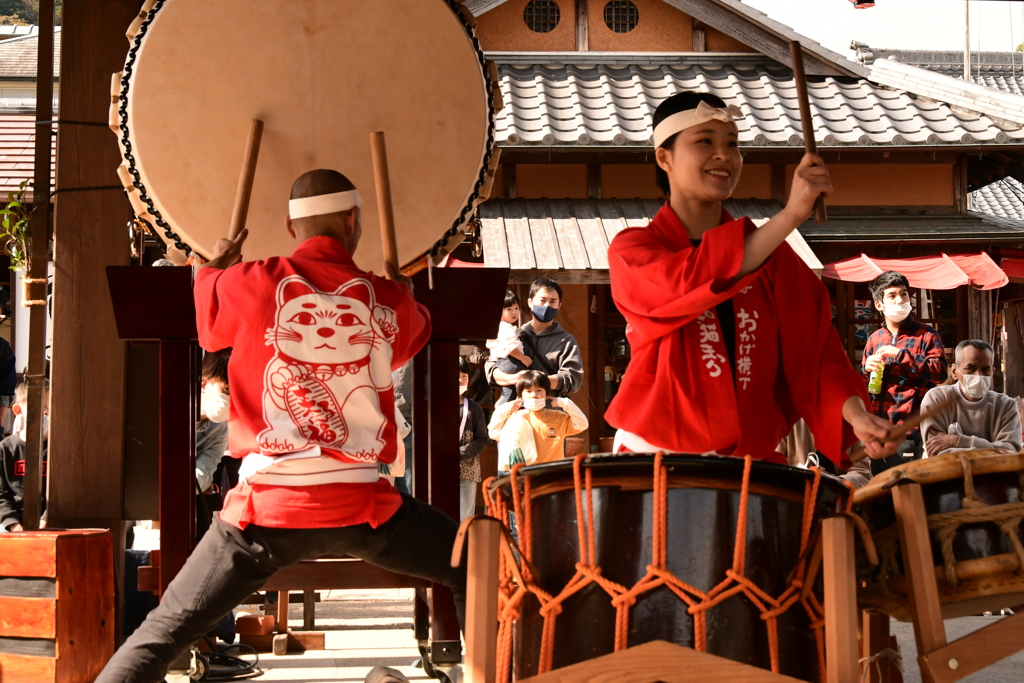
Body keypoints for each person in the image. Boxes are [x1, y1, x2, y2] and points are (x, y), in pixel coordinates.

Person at [96, 169, 466, 683]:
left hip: (264, 512)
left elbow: (209, 329)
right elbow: (411, 335)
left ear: (291, 229)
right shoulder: (383, 298)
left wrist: (210, 271)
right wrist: (403, 292)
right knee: (475, 562)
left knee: (160, 633)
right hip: (362, 506)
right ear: (354, 220)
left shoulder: (251, 280)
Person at [604, 91, 898, 465]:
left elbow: (816, 352)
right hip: (656, 450)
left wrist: (857, 416)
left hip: (750, 458)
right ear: (665, 157)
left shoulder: (773, 259)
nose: (724, 155)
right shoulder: (634, 250)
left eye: (733, 144)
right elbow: (690, 280)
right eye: (704, 141)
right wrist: (791, 215)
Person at [863, 271, 947, 471]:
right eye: (892, 295)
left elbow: (940, 372)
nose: (900, 300)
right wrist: (866, 370)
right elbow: (866, 383)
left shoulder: (926, 334)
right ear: (879, 305)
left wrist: (900, 355)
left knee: (907, 492)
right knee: (879, 494)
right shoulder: (874, 338)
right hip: (878, 432)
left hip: (910, 432)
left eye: (904, 294)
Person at [486, 278, 583, 405]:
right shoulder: (514, 335)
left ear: (559, 306)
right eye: (542, 300)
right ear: (530, 302)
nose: (547, 305)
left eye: (553, 301)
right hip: (515, 415)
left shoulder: (566, 341)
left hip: (549, 414)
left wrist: (535, 382)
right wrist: (512, 379)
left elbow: (573, 379)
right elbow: (491, 368)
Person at [921, 340, 1022, 457]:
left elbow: (1011, 454)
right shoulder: (937, 400)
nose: (979, 375)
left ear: (992, 373)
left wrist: (958, 441)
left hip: (993, 476)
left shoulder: (1006, 406)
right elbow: (937, 453)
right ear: (954, 372)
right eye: (970, 368)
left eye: (985, 369)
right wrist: (992, 450)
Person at [489, 370, 588, 471]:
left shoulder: (558, 417)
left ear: (547, 393)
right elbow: (493, 433)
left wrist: (565, 403)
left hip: (551, 475)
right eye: (528, 391)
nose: (534, 395)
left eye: (539, 390)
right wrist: (504, 409)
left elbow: (582, 424)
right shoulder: (513, 418)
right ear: (520, 396)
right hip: (524, 476)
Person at [0, 382, 47, 532]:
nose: (45, 413)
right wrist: (14, 526)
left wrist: (44, 521)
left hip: (49, 524)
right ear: (18, 410)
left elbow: (61, 493)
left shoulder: (57, 449)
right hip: (11, 524)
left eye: (49, 407)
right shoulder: (5, 449)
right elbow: (1, 494)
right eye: (40, 408)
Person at [486, 290, 533, 404]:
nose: (514, 312)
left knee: (510, 391)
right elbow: (510, 348)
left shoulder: (500, 326)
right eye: (509, 309)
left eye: (516, 308)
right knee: (525, 383)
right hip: (511, 361)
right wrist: (522, 358)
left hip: (504, 362)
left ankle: (503, 405)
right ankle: (505, 406)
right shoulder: (504, 327)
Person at [458, 357, 489, 519]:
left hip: (467, 471)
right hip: (440, 469)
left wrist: (460, 453)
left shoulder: (474, 409)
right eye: (456, 375)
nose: (460, 379)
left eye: (464, 375)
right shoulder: (436, 406)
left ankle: (463, 544)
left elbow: (482, 439)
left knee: (465, 516)